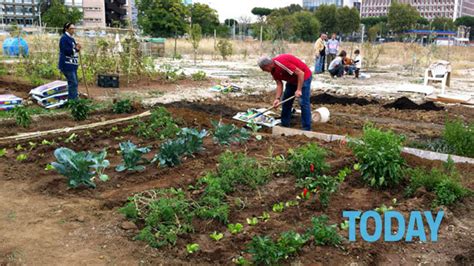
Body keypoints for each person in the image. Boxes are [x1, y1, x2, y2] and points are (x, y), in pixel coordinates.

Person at [258, 54, 313, 131]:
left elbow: (301, 73)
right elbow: (279, 84)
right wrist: (277, 99)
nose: (264, 71)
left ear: (268, 65)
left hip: (304, 77)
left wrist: (299, 89)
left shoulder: (281, 64)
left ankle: (307, 128)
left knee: (303, 103)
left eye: (263, 69)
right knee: (286, 101)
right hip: (292, 80)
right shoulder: (273, 70)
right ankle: (284, 125)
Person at [58, 22, 81, 100]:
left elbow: (74, 50)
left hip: (72, 64)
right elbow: (66, 51)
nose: (73, 30)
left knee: (74, 83)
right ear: (66, 29)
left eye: (74, 28)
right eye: (71, 28)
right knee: (73, 83)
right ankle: (73, 101)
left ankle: (73, 99)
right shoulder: (64, 38)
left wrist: (77, 48)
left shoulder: (72, 39)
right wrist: (75, 49)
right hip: (67, 64)